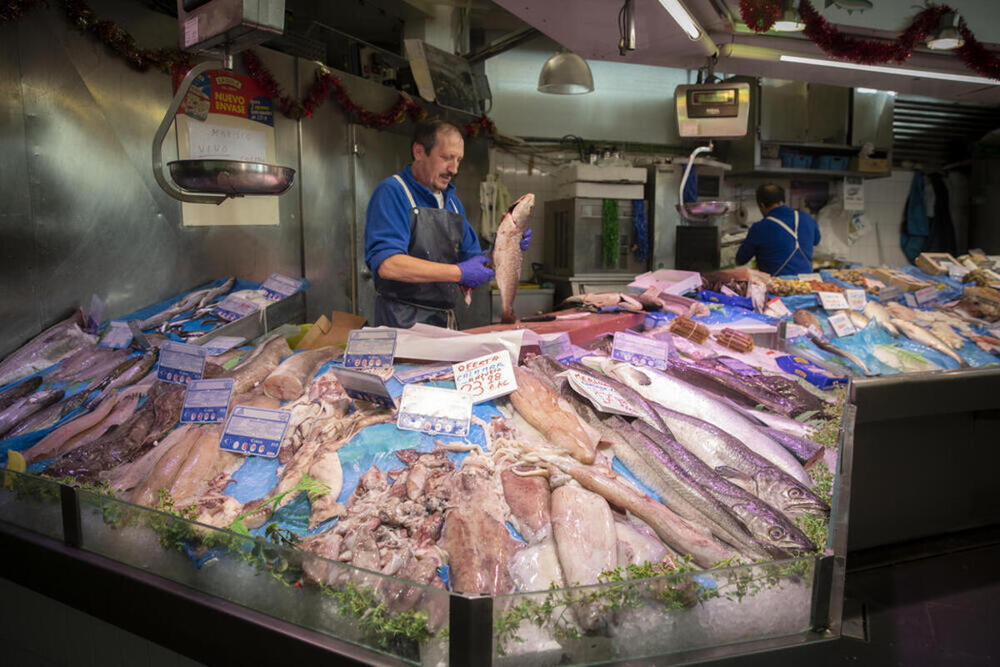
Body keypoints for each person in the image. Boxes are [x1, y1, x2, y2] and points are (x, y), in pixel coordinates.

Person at [364, 120, 530, 328]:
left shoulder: (452, 203)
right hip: (400, 324)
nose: (454, 169)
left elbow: (476, 264)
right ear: (418, 152)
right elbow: (388, 265)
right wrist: (459, 273)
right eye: (446, 158)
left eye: (458, 160)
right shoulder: (393, 192)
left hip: (444, 323)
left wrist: (505, 247)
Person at [735, 183, 821, 277]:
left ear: (762, 205)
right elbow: (816, 240)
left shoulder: (760, 228)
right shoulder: (807, 218)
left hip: (777, 286)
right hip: (807, 285)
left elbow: (740, 260)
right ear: (783, 200)